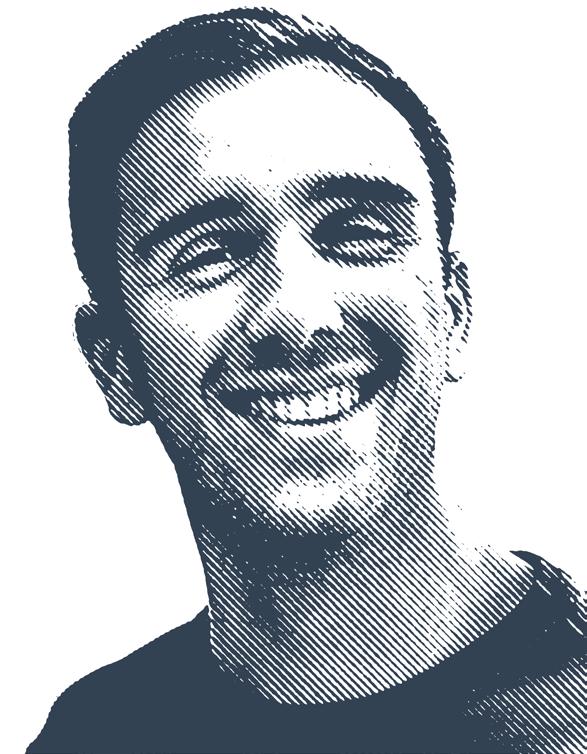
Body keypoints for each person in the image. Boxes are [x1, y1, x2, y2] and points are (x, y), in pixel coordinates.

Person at [28, 8, 585, 754]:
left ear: (453, 314)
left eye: (358, 235)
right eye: (208, 255)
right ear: (115, 362)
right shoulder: (98, 733)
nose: (298, 313)